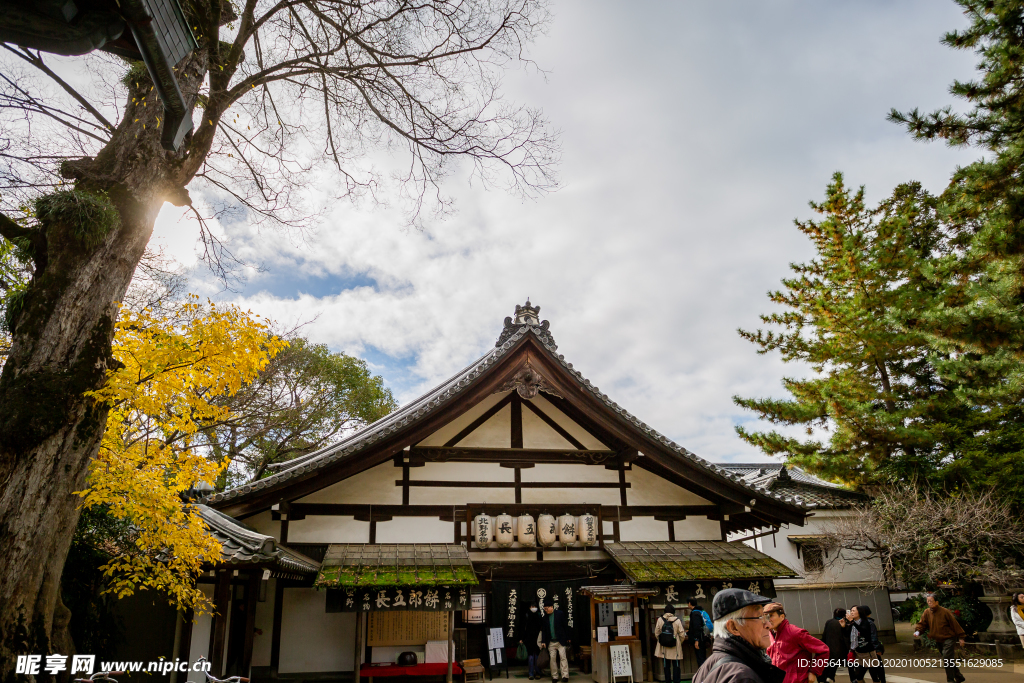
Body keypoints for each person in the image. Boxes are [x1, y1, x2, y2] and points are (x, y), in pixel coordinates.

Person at [692, 587, 785, 683]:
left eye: (766, 617)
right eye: (760, 617)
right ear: (733, 627)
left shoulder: (705, 668)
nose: (768, 625)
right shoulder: (742, 677)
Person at [763, 602, 829, 683]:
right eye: (766, 616)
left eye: (771, 615)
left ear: (782, 616)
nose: (768, 619)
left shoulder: (795, 633)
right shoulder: (769, 634)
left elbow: (824, 650)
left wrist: (814, 671)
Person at [913, 594, 966, 683]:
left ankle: (950, 680)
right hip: (938, 639)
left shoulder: (945, 612)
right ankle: (959, 676)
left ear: (936, 602)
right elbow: (922, 624)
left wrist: (961, 637)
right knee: (948, 659)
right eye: (928, 601)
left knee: (947, 658)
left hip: (948, 638)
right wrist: (918, 631)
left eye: (931, 601)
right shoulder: (927, 612)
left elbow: (955, 624)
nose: (929, 603)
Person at [848, 605, 885, 683]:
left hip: (868, 651)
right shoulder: (853, 624)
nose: (851, 612)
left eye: (853, 610)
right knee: (859, 675)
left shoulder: (867, 622)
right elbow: (851, 637)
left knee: (874, 673)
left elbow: (869, 634)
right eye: (851, 611)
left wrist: (877, 649)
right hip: (858, 652)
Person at [655, 603, 687, 683]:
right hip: (675, 646)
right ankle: (676, 681)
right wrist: (680, 642)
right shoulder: (677, 620)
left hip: (664, 647)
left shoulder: (660, 620)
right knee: (676, 666)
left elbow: (657, 633)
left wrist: (662, 640)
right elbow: (682, 634)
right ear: (673, 612)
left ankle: (667, 681)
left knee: (666, 666)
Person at [541, 603, 571, 683]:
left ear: (551, 607)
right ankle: (555, 676)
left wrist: (568, 638)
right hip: (551, 642)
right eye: (544, 609)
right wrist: (543, 641)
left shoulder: (559, 614)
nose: (546, 610)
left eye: (547, 608)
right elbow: (544, 630)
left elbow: (565, 626)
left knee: (563, 658)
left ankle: (565, 676)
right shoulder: (545, 617)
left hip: (560, 640)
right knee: (552, 659)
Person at [820, 608, 850, 683]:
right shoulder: (845, 623)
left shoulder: (829, 622)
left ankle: (825, 678)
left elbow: (824, 635)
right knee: (835, 664)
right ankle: (830, 677)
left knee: (829, 663)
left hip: (829, 646)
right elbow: (846, 636)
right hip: (840, 648)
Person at [522, 603, 544, 680]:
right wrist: (522, 638)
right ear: (529, 607)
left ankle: (538, 672)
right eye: (532, 606)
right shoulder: (527, 615)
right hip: (529, 639)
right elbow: (523, 627)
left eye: (534, 606)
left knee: (537, 657)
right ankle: (531, 673)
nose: (533, 608)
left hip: (538, 639)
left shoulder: (539, 615)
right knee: (531, 657)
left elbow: (542, 627)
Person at [688, 597, 711, 667]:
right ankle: (704, 676)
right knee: (703, 658)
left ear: (689, 603)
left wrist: (696, 640)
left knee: (700, 659)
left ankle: (703, 676)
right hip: (704, 637)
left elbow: (697, 627)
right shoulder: (700, 611)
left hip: (700, 640)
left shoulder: (695, 614)